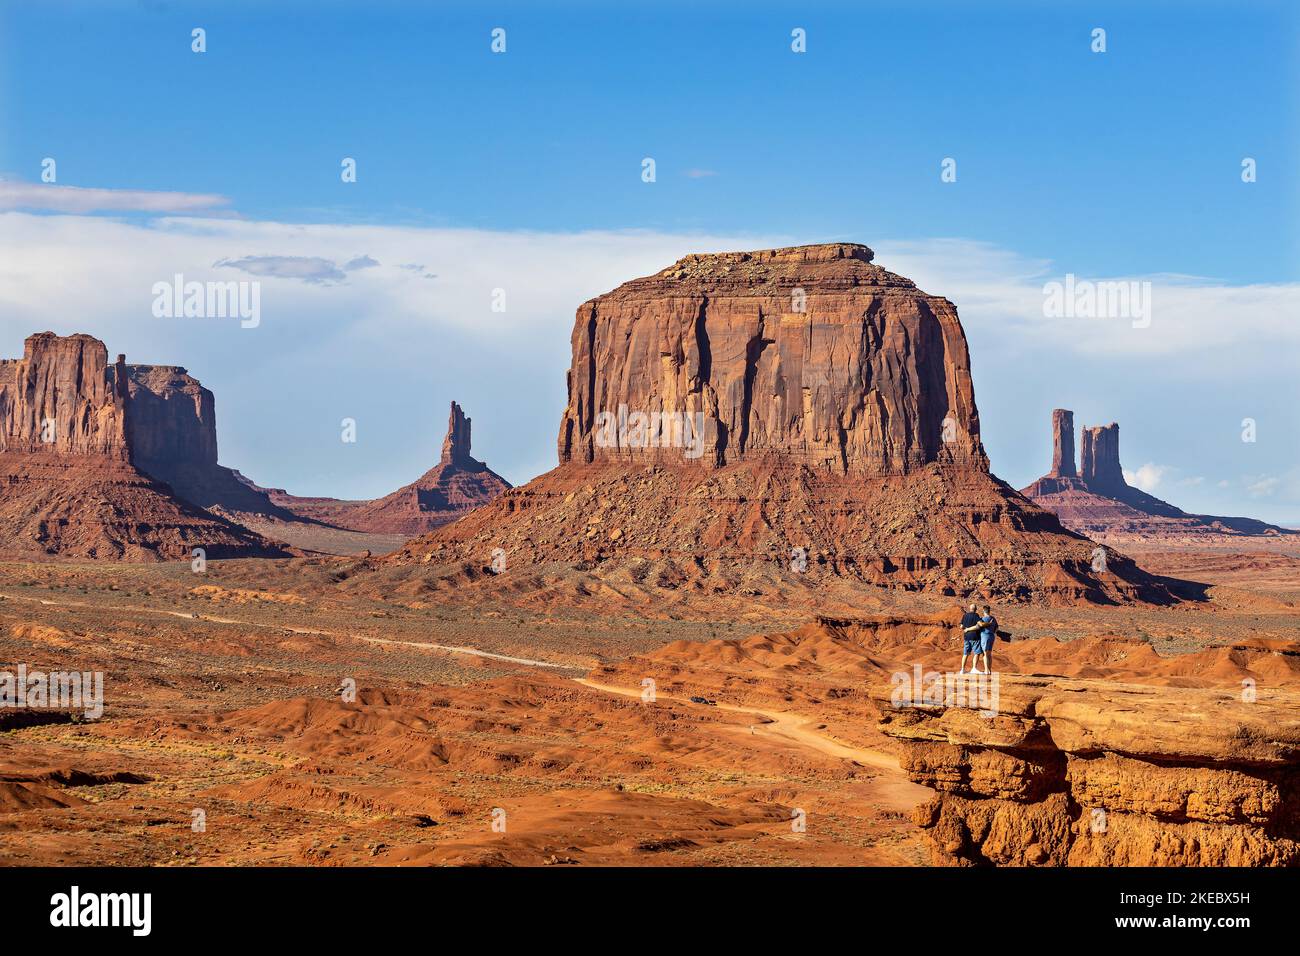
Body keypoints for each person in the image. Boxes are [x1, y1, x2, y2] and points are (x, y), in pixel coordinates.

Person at [958, 603, 984, 674]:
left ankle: (962, 669)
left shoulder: (965, 615)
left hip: (966, 637)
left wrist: (966, 629)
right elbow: (979, 625)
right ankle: (974, 668)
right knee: (977, 653)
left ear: (970, 608)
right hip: (975, 637)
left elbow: (961, 626)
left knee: (965, 653)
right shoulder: (976, 615)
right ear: (976, 609)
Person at [978, 604, 999, 675]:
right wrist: (993, 632)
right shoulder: (993, 618)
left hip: (985, 636)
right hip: (991, 636)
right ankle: (989, 670)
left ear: (983, 610)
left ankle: (986, 670)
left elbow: (980, 626)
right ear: (989, 610)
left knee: (985, 654)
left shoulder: (982, 619)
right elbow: (997, 628)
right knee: (989, 654)